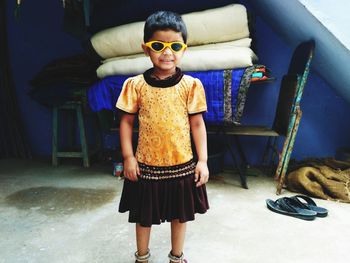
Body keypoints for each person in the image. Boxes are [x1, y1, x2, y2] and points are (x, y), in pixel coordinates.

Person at [116, 10, 209, 263]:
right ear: (146, 49)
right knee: (143, 215)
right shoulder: (135, 85)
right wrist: (128, 157)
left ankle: (176, 256)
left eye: (174, 46)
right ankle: (142, 257)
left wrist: (202, 161)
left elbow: (198, 125)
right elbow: (126, 122)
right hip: (146, 165)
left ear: (183, 49)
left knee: (180, 216)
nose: (167, 52)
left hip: (182, 165)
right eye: (158, 46)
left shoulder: (191, 85)